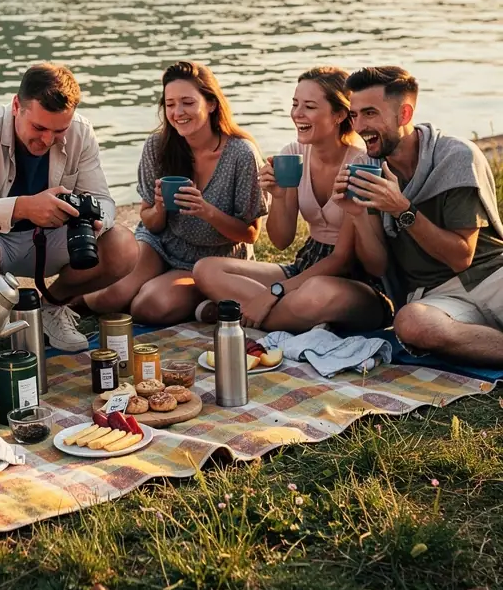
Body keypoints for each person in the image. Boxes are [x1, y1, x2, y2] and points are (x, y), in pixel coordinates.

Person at [0, 62, 138, 354]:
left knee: (123, 247)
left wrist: (94, 219)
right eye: (39, 127)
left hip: (49, 243)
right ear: (17, 105)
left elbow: (103, 200)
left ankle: (52, 307)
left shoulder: (81, 132)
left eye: (59, 131)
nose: (47, 140)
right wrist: (22, 208)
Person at [193, 66, 391, 332]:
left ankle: (237, 314)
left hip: (356, 281)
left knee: (315, 293)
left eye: (309, 106)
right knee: (206, 270)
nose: (297, 114)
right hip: (306, 266)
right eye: (295, 104)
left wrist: (273, 292)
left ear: (339, 115)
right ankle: (281, 315)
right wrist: (278, 196)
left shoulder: (361, 163)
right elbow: (281, 239)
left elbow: (342, 259)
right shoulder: (294, 154)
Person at [334, 65, 503, 367]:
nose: (359, 126)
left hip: (491, 276)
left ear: (405, 115)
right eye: (354, 115)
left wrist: (402, 209)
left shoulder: (456, 157)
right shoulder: (367, 168)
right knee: (410, 323)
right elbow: (379, 265)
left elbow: (461, 257)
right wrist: (357, 215)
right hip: (435, 296)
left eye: (370, 113)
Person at [84, 60, 265, 326]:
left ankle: (211, 298)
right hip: (162, 242)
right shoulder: (158, 146)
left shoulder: (241, 154)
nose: (178, 112)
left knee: (149, 306)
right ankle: (57, 308)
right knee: (111, 296)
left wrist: (207, 211)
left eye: (188, 103)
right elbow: (150, 222)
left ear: (212, 104)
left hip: (213, 260)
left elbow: (250, 234)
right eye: (170, 104)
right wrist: (158, 208)